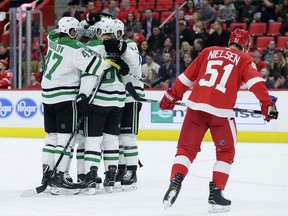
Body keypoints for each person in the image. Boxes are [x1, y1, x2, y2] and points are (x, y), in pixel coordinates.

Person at [160, 28, 278, 213]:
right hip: (221, 113)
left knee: (186, 149)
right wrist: (267, 104)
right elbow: (255, 83)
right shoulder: (245, 59)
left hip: (196, 108)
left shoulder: (208, 51)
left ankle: (176, 181)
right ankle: (216, 194)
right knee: (226, 151)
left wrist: (172, 95)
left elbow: (187, 78)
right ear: (246, 45)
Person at [40, 15, 110, 195]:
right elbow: (98, 66)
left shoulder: (52, 38)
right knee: (64, 140)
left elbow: (65, 31)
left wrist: (85, 22)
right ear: (71, 32)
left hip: (47, 95)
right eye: (75, 31)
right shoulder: (76, 48)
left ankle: (47, 174)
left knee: (51, 137)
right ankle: (59, 176)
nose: (77, 33)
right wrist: (112, 59)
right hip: (64, 97)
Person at [76, 17, 131, 194]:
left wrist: (83, 95)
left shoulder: (92, 47)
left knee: (93, 139)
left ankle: (91, 176)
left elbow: (88, 73)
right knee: (111, 139)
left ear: (98, 31)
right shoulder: (120, 48)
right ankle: (111, 177)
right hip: (118, 101)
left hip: (99, 100)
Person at [105, 19, 145, 190]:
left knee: (127, 136)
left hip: (131, 96)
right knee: (117, 137)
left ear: (119, 34)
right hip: (118, 96)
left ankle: (132, 171)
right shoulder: (107, 48)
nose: (107, 38)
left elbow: (135, 64)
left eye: (110, 34)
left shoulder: (130, 45)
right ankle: (121, 168)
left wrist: (123, 51)